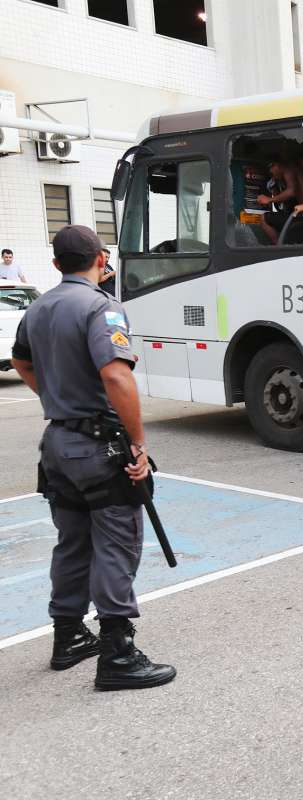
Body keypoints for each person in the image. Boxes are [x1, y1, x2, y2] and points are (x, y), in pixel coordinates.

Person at [9, 225, 175, 691]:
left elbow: (21, 362)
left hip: (58, 444)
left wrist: (57, 398)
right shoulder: (102, 308)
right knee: (117, 541)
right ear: (101, 260)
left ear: (57, 263)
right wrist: (138, 443)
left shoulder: (37, 308)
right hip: (99, 446)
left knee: (73, 541)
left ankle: (69, 636)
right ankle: (118, 653)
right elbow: (117, 377)